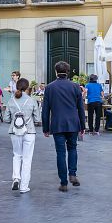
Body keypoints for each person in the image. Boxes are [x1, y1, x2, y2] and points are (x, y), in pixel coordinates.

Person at [42, 61, 86, 192]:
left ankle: (63, 182)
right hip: (73, 123)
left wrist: (46, 128)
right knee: (72, 149)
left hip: (58, 124)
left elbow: (45, 110)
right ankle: (72, 173)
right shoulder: (75, 86)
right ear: (68, 72)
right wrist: (83, 126)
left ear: (56, 71)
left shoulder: (49, 87)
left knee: (60, 153)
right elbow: (81, 108)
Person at [3, 78, 40, 194]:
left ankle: (16, 178)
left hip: (15, 132)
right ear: (27, 87)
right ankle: (24, 186)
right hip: (29, 132)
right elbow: (38, 119)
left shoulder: (11, 101)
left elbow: (6, 119)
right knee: (27, 159)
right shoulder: (31, 100)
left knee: (16, 155)